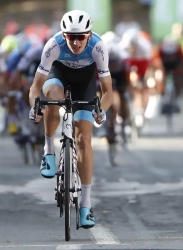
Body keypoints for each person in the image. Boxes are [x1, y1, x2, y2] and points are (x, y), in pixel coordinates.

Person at [28, 10, 113, 228]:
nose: (75, 43)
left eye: (81, 37)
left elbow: (108, 92)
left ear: (89, 34)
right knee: (53, 99)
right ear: (64, 35)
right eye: (71, 37)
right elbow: (36, 87)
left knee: (84, 138)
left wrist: (100, 110)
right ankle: (49, 151)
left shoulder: (99, 46)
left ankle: (85, 205)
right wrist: (35, 107)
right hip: (59, 76)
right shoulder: (53, 45)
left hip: (84, 84)